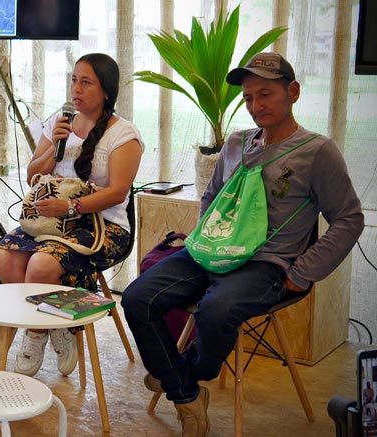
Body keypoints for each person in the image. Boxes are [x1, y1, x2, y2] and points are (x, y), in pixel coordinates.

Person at [122, 52, 365, 437]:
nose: (256, 106)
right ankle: (185, 392)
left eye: (265, 95)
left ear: (293, 92)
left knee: (216, 312)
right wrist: (207, 237)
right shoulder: (236, 142)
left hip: (266, 263)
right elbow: (213, 196)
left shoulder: (317, 152)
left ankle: (177, 372)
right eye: (249, 98)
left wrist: (302, 273)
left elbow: (350, 218)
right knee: (137, 297)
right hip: (210, 252)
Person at [0, 52, 143, 378]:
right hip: (51, 219)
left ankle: (34, 335)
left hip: (104, 225)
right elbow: (34, 174)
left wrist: (71, 207)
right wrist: (55, 143)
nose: (76, 88)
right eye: (74, 80)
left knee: (42, 264)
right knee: (4, 257)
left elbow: (117, 192)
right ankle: (56, 324)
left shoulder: (124, 134)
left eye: (86, 82)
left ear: (106, 91)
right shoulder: (59, 122)